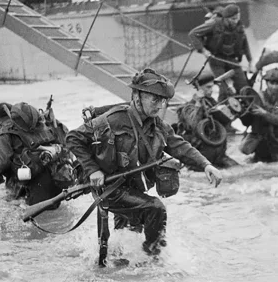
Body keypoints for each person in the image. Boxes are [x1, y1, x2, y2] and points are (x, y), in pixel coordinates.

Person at [66, 68, 223, 256]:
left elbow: (179, 146)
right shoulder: (113, 119)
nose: (159, 106)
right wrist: (92, 170)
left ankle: (125, 268)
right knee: (155, 209)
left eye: (163, 100)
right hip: (110, 188)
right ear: (137, 96)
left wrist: (206, 164)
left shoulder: (156, 125)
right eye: (154, 99)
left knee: (126, 238)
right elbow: (73, 137)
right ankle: (153, 256)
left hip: (132, 188)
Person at [0, 102, 77, 205]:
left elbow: (3, 162)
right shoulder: (47, 123)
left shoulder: (4, 132)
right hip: (59, 178)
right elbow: (69, 143)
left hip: (30, 184)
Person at [188, 3, 253, 102]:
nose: (236, 21)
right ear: (226, 18)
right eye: (233, 19)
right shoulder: (214, 24)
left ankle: (245, 110)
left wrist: (250, 62)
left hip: (232, 59)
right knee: (224, 89)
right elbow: (193, 34)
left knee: (244, 86)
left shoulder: (239, 27)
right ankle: (221, 110)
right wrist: (204, 50)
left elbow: (245, 45)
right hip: (217, 59)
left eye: (237, 18)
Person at [175, 72, 239, 170]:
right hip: (199, 158)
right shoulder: (187, 108)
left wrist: (231, 98)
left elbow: (226, 121)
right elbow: (193, 124)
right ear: (199, 88)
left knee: (237, 168)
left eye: (212, 88)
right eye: (208, 88)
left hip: (218, 156)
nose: (211, 91)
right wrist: (198, 104)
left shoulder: (212, 103)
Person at [239, 68, 278, 163]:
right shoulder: (257, 98)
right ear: (266, 83)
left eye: (277, 83)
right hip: (261, 143)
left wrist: (265, 114)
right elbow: (247, 122)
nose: (274, 87)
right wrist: (243, 111)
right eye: (271, 83)